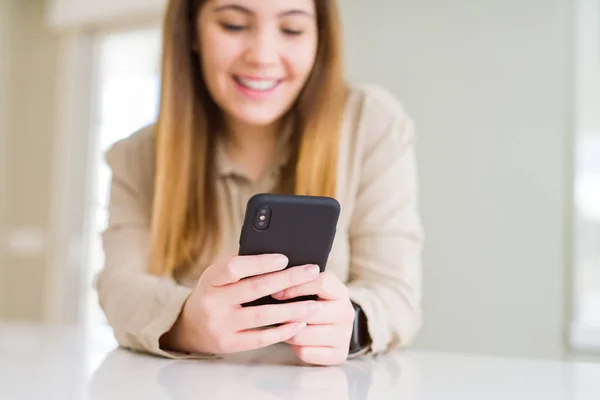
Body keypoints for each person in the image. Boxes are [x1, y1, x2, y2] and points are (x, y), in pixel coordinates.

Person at [97, 0, 424, 367]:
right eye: (234, 25)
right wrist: (187, 322)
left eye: (292, 29)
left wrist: (351, 323)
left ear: (320, 39)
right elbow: (119, 288)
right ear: (191, 32)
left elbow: (397, 295)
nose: (263, 57)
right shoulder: (137, 156)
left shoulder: (371, 124)